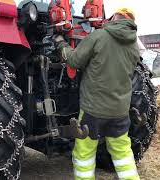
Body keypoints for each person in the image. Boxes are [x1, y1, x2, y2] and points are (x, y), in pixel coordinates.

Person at [54, 8, 140, 180]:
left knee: (84, 154)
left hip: (93, 111)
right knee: (123, 153)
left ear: (115, 17)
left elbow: (74, 60)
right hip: (120, 112)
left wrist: (60, 43)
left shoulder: (99, 36)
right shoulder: (134, 45)